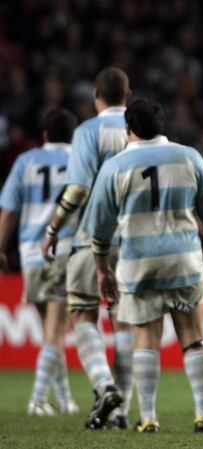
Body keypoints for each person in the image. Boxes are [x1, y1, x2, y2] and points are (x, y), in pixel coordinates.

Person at [83, 98, 203, 433]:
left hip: (137, 265)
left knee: (145, 340)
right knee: (193, 337)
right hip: (184, 260)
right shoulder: (188, 156)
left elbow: (100, 231)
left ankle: (148, 417)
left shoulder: (115, 166)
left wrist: (103, 270)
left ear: (128, 129)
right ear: (162, 126)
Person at [41, 67, 133, 429]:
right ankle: (122, 410)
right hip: (132, 240)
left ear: (96, 94)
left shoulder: (87, 131)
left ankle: (104, 384)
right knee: (124, 321)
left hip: (87, 235)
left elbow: (77, 188)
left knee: (83, 314)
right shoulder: (139, 128)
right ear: (127, 95)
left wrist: (53, 228)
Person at [0, 108, 79, 417]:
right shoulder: (79, 160)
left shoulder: (26, 161)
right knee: (56, 331)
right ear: (72, 135)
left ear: (45, 134)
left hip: (31, 255)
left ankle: (64, 399)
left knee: (51, 330)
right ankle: (37, 399)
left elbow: (7, 211)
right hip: (63, 252)